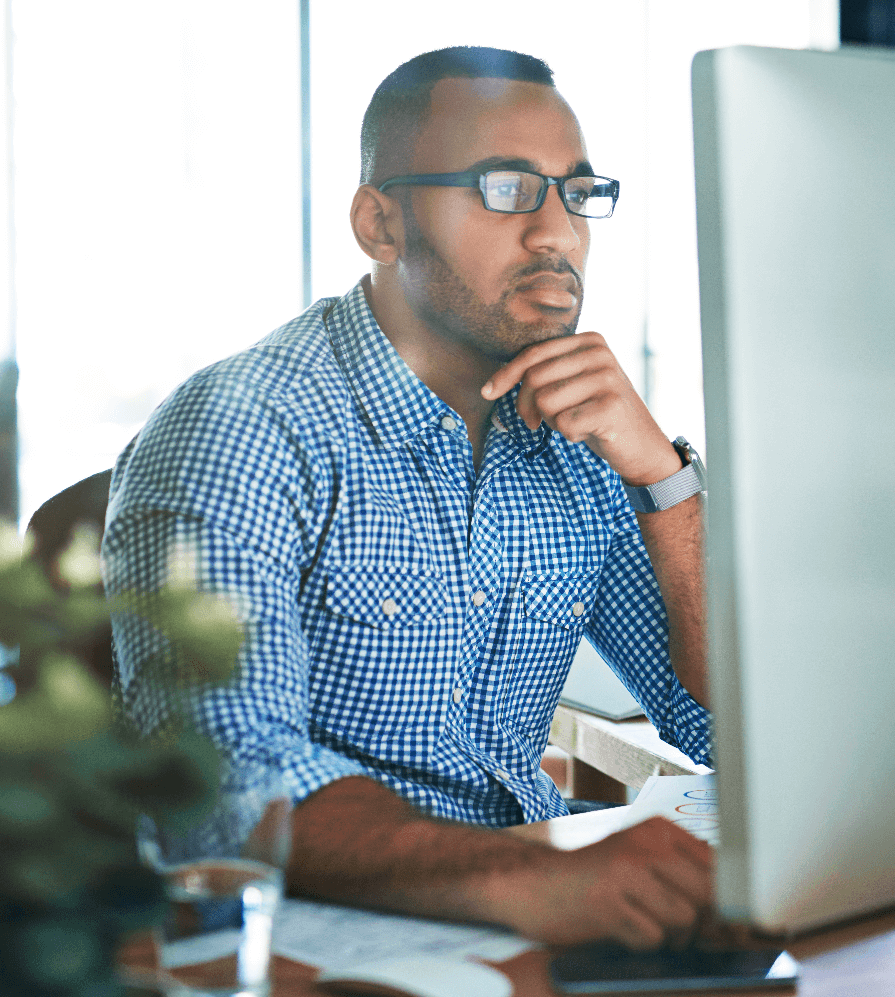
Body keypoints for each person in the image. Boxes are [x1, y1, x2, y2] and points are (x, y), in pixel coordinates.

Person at [104, 46, 715, 948]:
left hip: (526, 918)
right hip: (300, 941)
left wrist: (668, 481)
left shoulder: (582, 435)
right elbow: (227, 784)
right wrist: (530, 876)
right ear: (381, 223)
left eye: (577, 194)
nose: (557, 234)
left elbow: (725, 726)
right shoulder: (241, 428)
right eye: (508, 188)